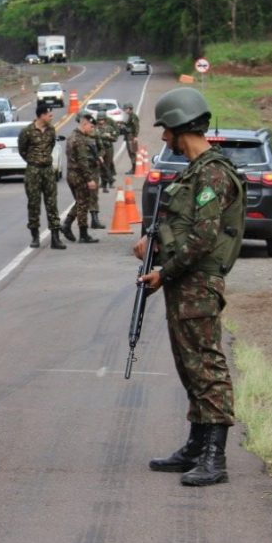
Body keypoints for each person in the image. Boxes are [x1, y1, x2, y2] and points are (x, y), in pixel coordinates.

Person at [132, 87, 246, 487]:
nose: (164, 138)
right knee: (190, 365)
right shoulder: (195, 173)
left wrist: (164, 272)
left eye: (167, 129)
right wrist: (154, 246)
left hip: (197, 283)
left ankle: (215, 458)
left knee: (207, 365)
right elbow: (184, 232)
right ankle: (198, 446)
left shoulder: (213, 174)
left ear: (182, 126)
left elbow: (201, 239)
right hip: (185, 282)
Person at [17, 101, 66, 250]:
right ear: (42, 115)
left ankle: (55, 238)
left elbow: (51, 145)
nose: (51, 116)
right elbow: (22, 150)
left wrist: (44, 160)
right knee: (34, 204)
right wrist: (33, 161)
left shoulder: (51, 130)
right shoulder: (27, 131)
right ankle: (35, 236)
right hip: (33, 171)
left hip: (47, 171)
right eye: (49, 114)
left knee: (52, 204)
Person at [62, 112, 101, 244]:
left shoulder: (71, 136)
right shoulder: (80, 140)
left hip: (71, 174)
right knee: (83, 203)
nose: (92, 129)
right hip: (79, 176)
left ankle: (66, 225)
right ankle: (83, 234)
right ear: (84, 124)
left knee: (80, 202)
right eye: (91, 126)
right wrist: (89, 179)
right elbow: (83, 161)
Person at [95, 110, 117, 192]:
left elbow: (115, 138)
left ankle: (109, 182)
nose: (101, 121)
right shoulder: (95, 128)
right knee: (101, 166)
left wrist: (108, 136)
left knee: (108, 165)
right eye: (99, 120)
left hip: (108, 148)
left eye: (102, 119)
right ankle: (104, 183)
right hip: (100, 149)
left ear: (105, 120)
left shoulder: (109, 128)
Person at [121, 102, 141, 175]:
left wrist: (135, 136)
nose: (125, 110)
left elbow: (136, 127)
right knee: (131, 153)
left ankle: (134, 169)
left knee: (132, 153)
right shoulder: (130, 116)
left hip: (131, 137)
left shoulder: (133, 117)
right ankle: (134, 169)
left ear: (130, 108)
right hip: (129, 137)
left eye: (126, 109)